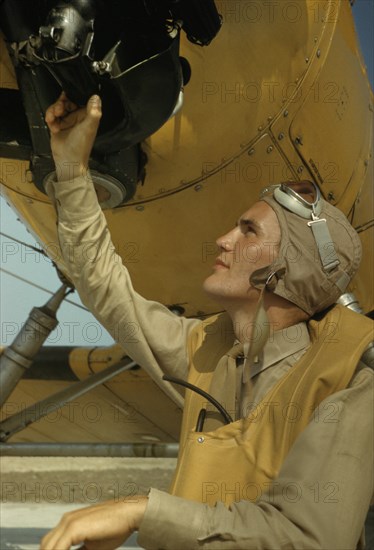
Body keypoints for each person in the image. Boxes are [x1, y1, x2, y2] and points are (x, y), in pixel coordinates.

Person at [40, 93, 373, 550]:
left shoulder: (357, 376)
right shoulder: (210, 349)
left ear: (286, 270)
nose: (222, 240)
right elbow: (104, 284)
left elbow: (307, 538)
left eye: (248, 231)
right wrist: (72, 170)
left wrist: (143, 510)